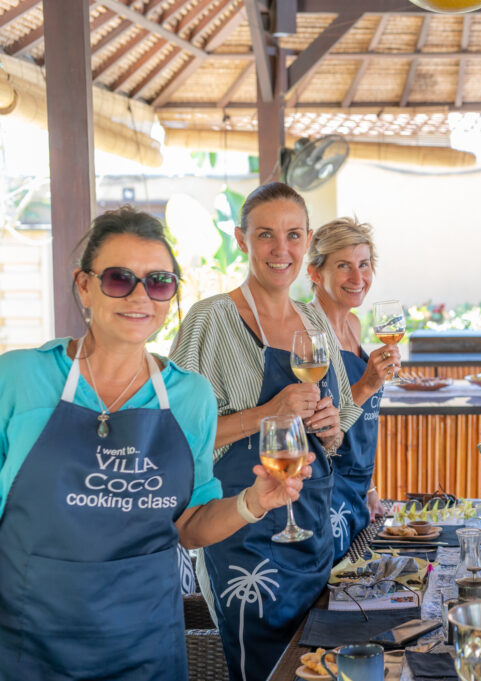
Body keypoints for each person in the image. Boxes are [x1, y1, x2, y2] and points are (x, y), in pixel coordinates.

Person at [0, 207, 308, 680]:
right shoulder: (20, 378)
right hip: (28, 645)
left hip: (146, 648)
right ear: (85, 285)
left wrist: (253, 502)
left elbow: (190, 525)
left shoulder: (190, 397)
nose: (141, 296)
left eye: (159, 282)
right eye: (120, 279)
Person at [170, 183, 362, 681]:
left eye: (293, 235)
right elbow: (174, 438)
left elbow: (339, 426)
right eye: (265, 235)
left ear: (308, 239)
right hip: (243, 533)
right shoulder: (210, 320)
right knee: (262, 667)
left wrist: (327, 428)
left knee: (317, 665)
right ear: (241, 239)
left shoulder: (316, 318)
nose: (282, 249)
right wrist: (268, 411)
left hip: (312, 527)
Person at [307, 217, 394, 560]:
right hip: (325, 492)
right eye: (343, 266)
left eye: (364, 265)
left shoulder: (355, 324)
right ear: (315, 272)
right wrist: (368, 383)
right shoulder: (308, 333)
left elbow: (363, 424)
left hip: (357, 491)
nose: (358, 279)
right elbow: (318, 429)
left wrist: (370, 487)